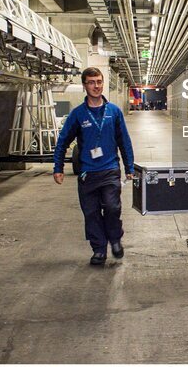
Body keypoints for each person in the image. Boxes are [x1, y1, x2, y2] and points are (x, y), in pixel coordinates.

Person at [53, 67, 135, 266]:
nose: (96, 86)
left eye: (99, 82)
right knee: (91, 213)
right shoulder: (78, 114)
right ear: (84, 85)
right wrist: (58, 168)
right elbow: (63, 141)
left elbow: (124, 140)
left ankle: (115, 239)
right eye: (91, 82)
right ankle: (99, 249)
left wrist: (130, 167)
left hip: (109, 170)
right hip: (87, 173)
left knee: (112, 207)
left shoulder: (114, 112)